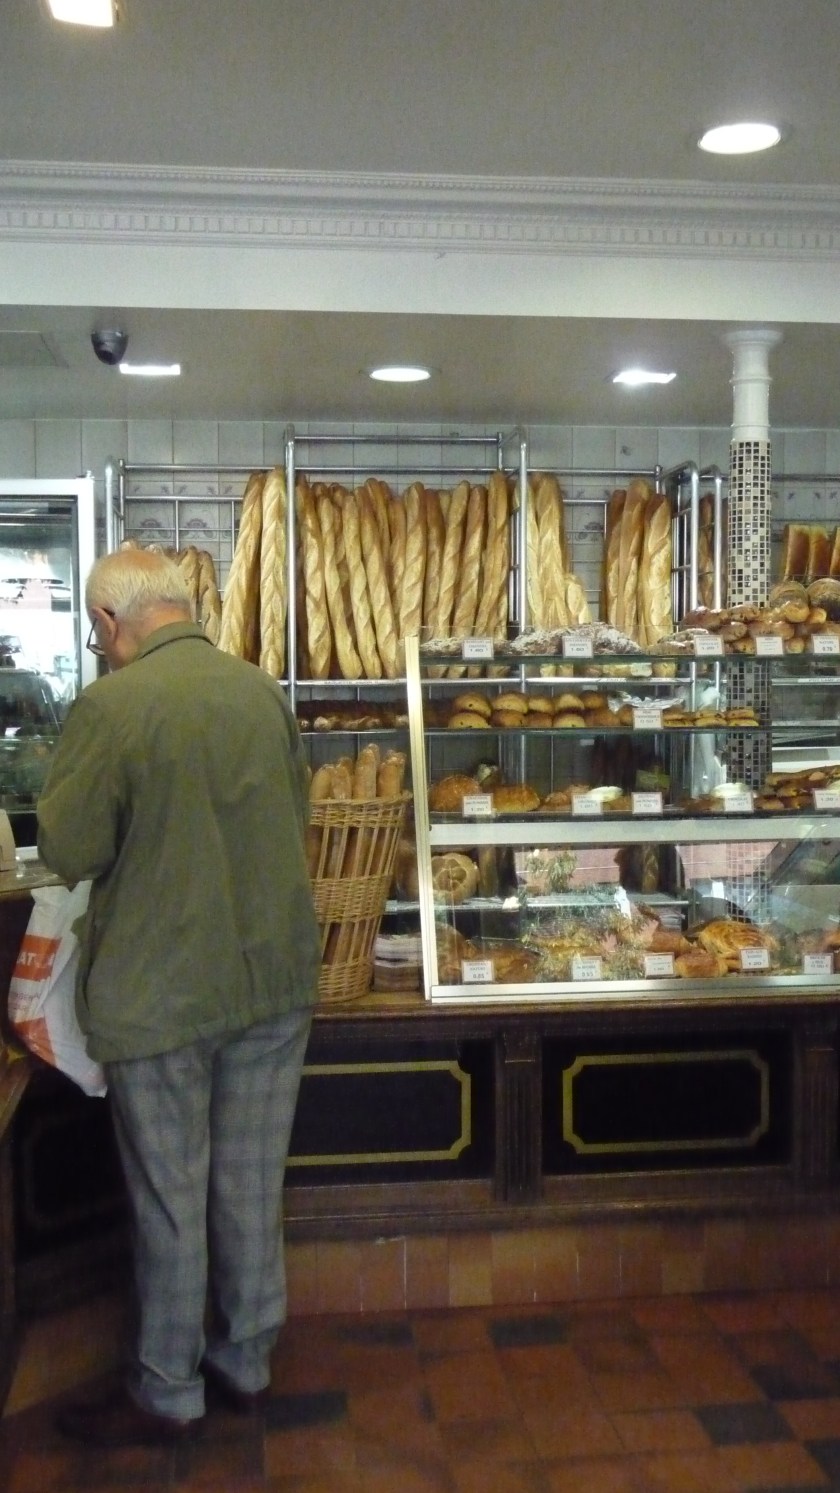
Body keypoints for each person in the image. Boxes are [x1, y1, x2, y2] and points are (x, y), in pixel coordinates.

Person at [36, 548, 320, 1448]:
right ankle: (247, 1359)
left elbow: (69, 846)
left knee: (171, 1194)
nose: (98, 648)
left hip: (159, 995)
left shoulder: (109, 707)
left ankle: (168, 1382)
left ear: (116, 623)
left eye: (95, 633)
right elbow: (296, 812)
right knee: (247, 1181)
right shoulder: (261, 692)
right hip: (271, 983)